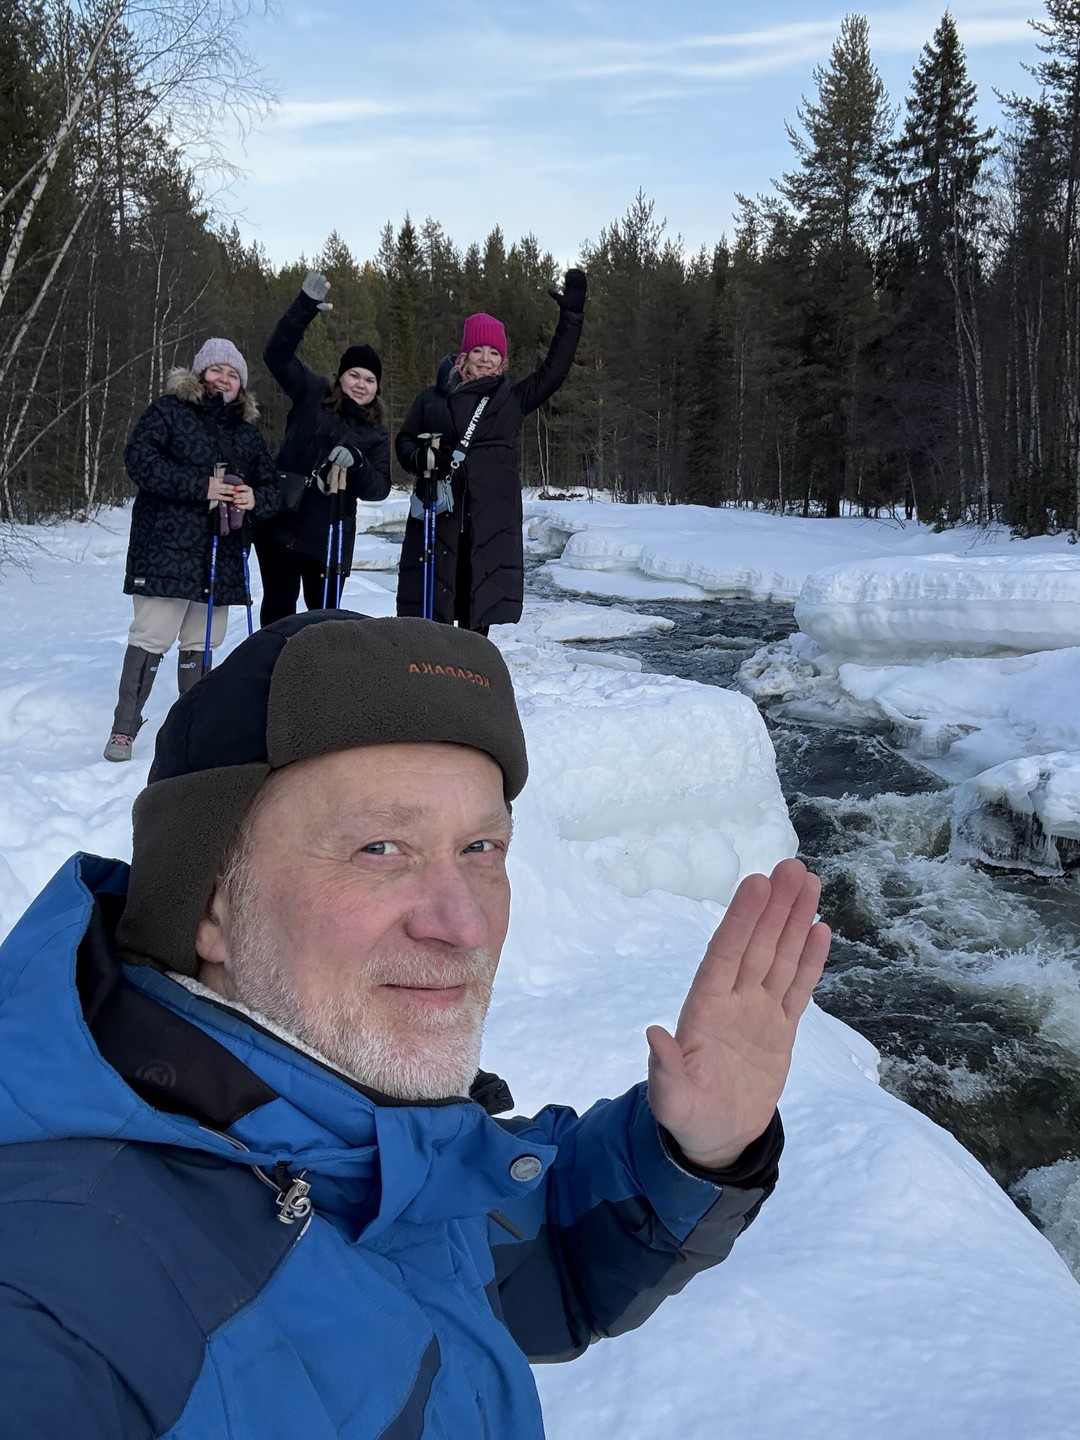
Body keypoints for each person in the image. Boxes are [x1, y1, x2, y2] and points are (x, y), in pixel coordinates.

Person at [0, 611, 830, 1437]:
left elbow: (517, 1264)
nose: (462, 925)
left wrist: (692, 1153)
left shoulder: (355, 1150)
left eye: (480, 849)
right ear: (210, 901)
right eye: (381, 849)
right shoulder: (60, 1306)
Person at [104, 338, 280, 763]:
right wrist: (200, 487)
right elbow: (139, 461)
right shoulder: (168, 412)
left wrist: (254, 499)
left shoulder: (249, 435)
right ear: (200, 374)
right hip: (165, 549)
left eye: (233, 374)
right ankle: (124, 730)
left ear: (242, 385)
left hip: (220, 556)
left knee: (201, 642)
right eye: (217, 370)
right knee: (151, 636)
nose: (224, 379)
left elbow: (273, 489)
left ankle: (192, 726)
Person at [396, 270, 587, 633]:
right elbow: (404, 443)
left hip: (488, 529)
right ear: (463, 356)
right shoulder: (432, 399)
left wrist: (571, 319)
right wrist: (420, 458)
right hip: (440, 526)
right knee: (430, 622)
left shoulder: (511, 400)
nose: (486, 358)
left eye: (494, 352)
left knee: (476, 622)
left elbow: (555, 371)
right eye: (478, 350)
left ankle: (470, 687)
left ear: (503, 362)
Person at [255, 270, 391, 625]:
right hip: (282, 525)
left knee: (323, 623)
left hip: (330, 536)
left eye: (370, 379)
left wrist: (358, 462)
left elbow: (380, 488)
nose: (361, 384)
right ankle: (271, 676)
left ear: (378, 387)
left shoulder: (375, 433)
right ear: (341, 375)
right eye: (354, 375)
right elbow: (276, 355)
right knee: (279, 614)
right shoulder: (312, 392)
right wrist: (303, 308)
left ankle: (317, 681)